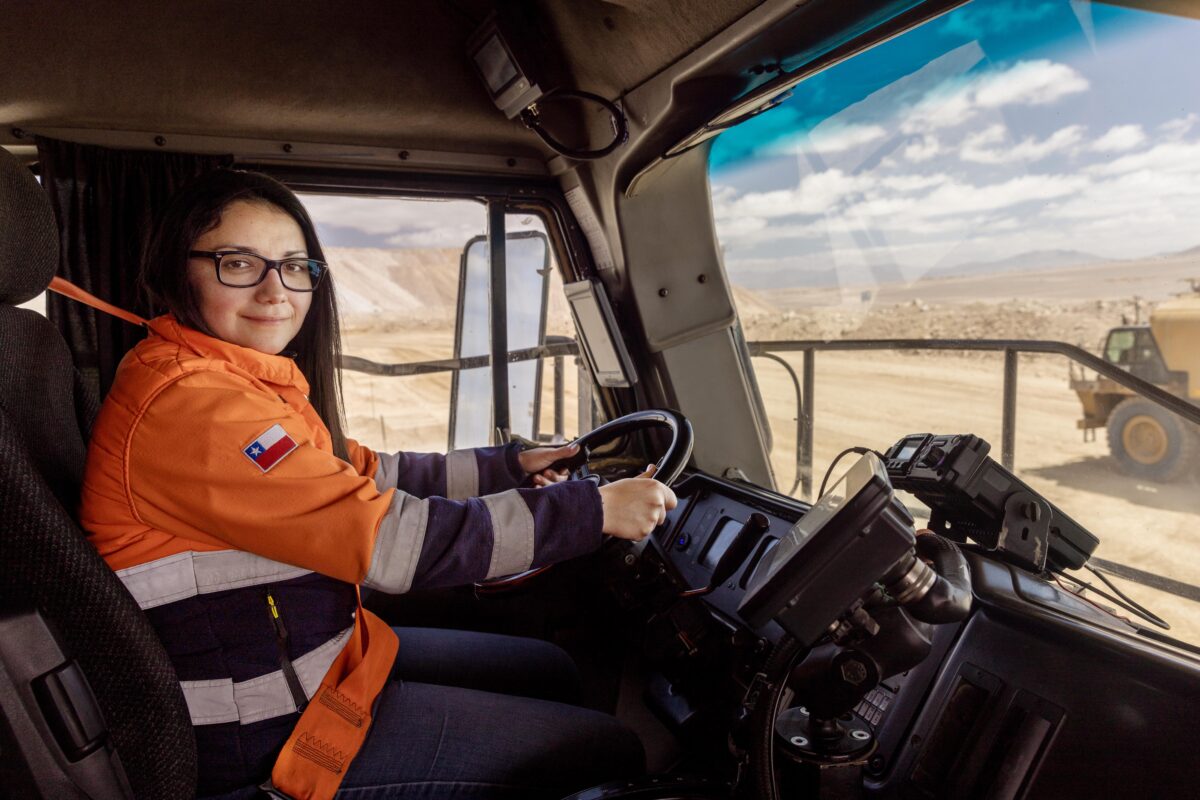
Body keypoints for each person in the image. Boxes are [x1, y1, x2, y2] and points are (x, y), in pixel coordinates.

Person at [79, 169, 678, 799]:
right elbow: (392, 544)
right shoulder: (197, 407)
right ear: (181, 270)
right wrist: (589, 512)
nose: (275, 291)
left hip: (319, 671)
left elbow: (360, 471)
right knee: (608, 749)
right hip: (267, 742)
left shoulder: (227, 379)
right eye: (238, 264)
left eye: (293, 266)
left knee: (547, 668)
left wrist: (511, 466)